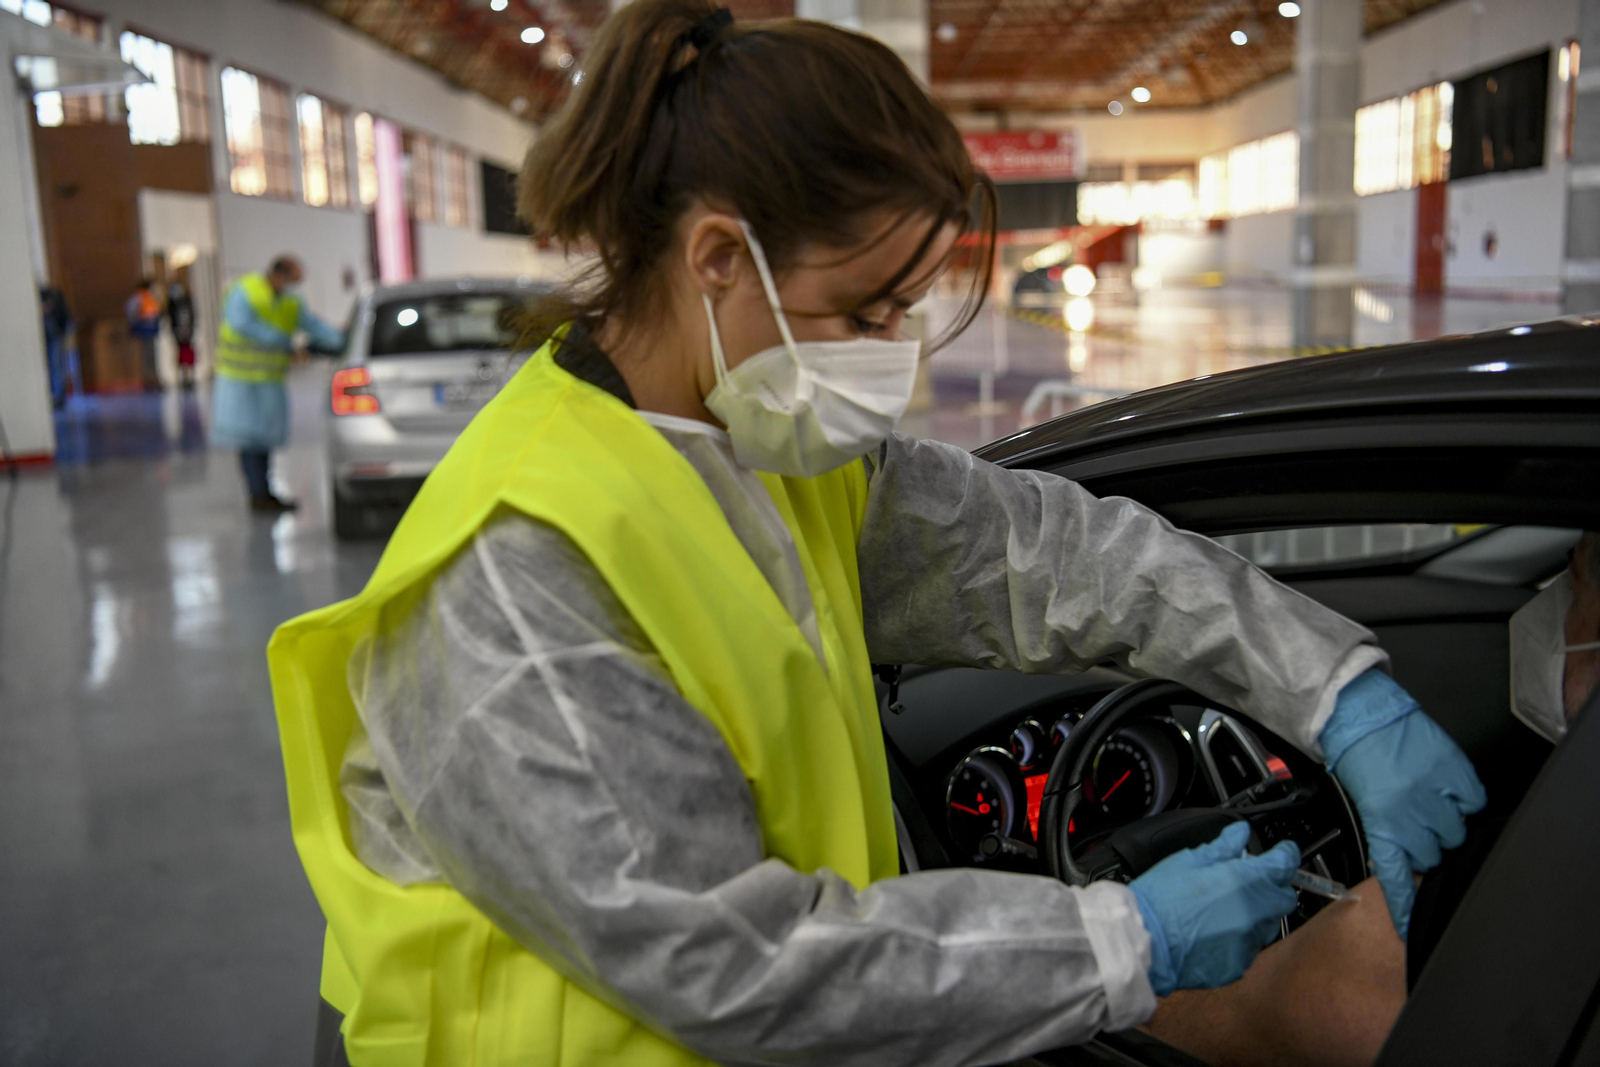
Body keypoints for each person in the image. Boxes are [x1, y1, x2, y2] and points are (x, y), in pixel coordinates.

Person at [268, 5, 1484, 1065]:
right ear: (713, 258)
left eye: (903, 305)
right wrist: (1123, 939)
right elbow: (724, 962)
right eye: (862, 307)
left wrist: (1334, 687)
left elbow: (1053, 556)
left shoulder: (761, 448)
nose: (890, 350)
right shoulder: (518, 569)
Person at [1141, 532, 1600, 1067]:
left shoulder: (1528, 887)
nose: (1562, 603)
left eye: (1578, 579)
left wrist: (1129, 945)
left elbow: (1199, 1033)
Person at [211, 256, 343, 513]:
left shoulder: (290, 301)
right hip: (240, 380)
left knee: (265, 437)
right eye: (294, 279)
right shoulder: (245, 291)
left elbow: (311, 324)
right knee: (248, 439)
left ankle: (264, 492)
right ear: (279, 274)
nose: (295, 286)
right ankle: (257, 493)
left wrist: (339, 340)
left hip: (269, 380)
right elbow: (241, 324)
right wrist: (282, 341)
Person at [125, 277, 163, 391]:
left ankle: (154, 379)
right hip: (143, 330)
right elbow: (131, 311)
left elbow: (157, 311)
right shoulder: (139, 297)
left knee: (152, 356)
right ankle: (148, 381)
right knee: (147, 356)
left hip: (151, 329)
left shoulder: (150, 297)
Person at [40, 284, 74, 408]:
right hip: (47, 336)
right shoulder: (43, 296)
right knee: (53, 365)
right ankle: (55, 395)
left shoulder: (55, 297)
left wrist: (63, 331)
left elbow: (65, 315)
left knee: (56, 364)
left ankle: (59, 396)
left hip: (56, 335)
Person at [167, 275, 197, 389]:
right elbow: (171, 317)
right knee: (180, 353)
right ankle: (183, 377)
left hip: (188, 331)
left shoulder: (188, 301)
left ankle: (191, 375)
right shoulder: (172, 305)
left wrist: (192, 328)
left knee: (189, 353)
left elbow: (193, 315)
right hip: (178, 331)